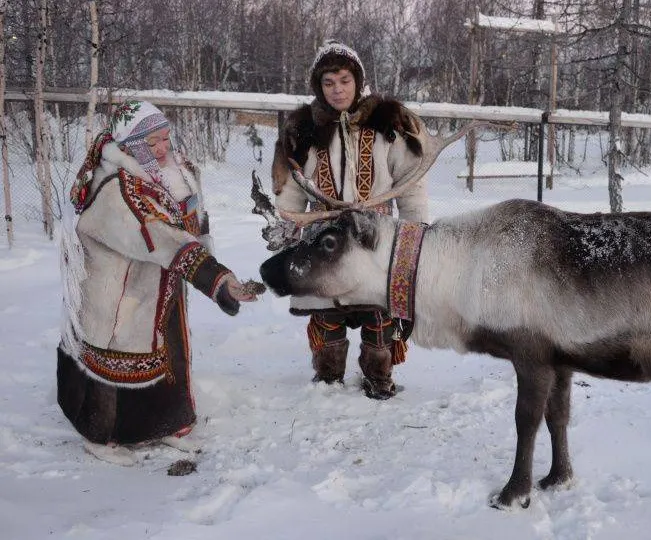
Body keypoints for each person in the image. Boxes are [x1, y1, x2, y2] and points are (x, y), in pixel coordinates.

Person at [58, 100, 259, 466]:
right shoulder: (115, 189)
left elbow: (189, 221)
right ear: (130, 144)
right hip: (120, 292)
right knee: (116, 360)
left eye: (166, 138)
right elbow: (157, 235)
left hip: (160, 285)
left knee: (168, 356)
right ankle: (100, 437)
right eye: (153, 143)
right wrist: (214, 277)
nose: (163, 148)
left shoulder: (164, 172)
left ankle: (164, 424)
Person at [271, 40, 429, 400]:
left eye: (344, 80)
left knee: (379, 314)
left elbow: (410, 183)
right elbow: (291, 190)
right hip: (322, 237)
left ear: (357, 81)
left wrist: (415, 230)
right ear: (318, 86)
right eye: (328, 82)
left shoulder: (387, 124)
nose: (337, 89)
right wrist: (288, 223)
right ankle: (328, 376)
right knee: (327, 311)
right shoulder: (302, 130)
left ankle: (378, 375)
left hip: (375, 238)